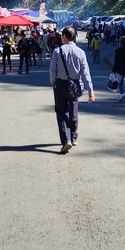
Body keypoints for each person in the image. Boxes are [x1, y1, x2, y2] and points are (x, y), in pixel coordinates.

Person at [48, 25, 95, 154]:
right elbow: (86, 73)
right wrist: (90, 91)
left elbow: (52, 70)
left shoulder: (58, 51)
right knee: (73, 109)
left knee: (61, 112)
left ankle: (66, 139)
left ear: (64, 36)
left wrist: (54, 83)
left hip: (61, 84)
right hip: (75, 84)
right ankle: (74, 137)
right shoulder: (80, 52)